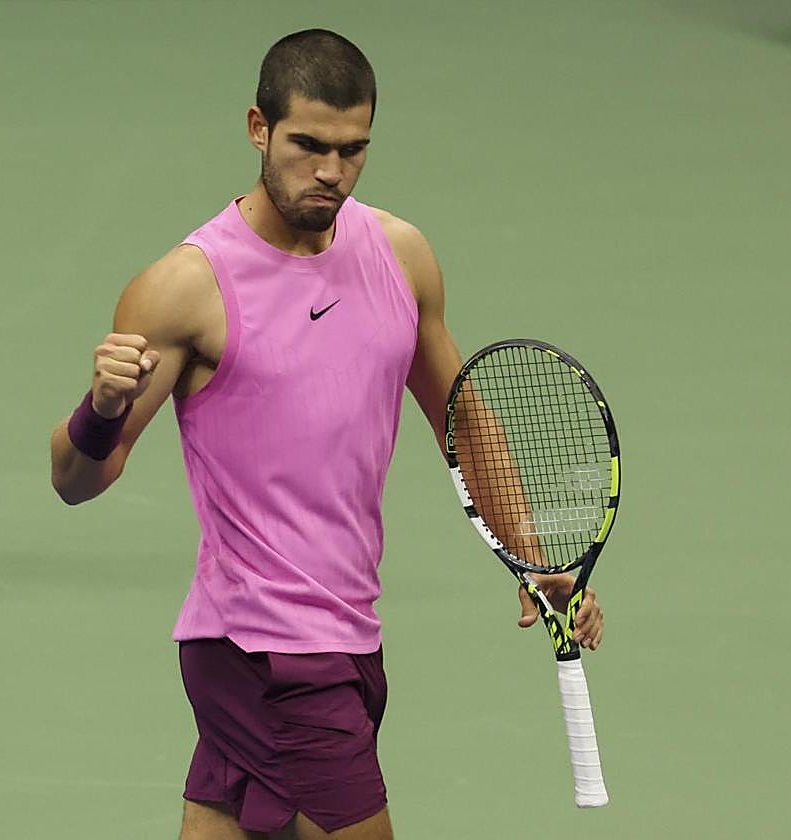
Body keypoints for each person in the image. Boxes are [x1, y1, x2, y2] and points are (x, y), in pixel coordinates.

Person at [50, 28, 604, 840]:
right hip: (265, 651)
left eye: (353, 150)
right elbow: (75, 480)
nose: (330, 172)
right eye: (309, 145)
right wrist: (100, 409)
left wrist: (531, 555)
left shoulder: (400, 255)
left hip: (346, 636)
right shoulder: (186, 289)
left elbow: (463, 422)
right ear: (257, 128)